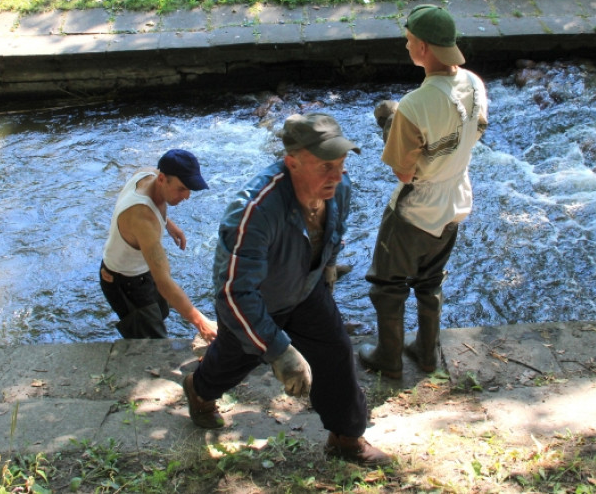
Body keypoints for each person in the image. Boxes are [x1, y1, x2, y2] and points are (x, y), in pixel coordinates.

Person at [182, 113, 391, 467]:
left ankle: (345, 437)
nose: (337, 175)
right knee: (234, 362)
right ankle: (199, 390)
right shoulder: (255, 209)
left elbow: (333, 231)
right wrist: (279, 351)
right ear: (291, 162)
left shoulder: (340, 187)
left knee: (336, 351)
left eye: (340, 163)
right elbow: (233, 292)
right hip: (255, 304)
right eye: (326, 165)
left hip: (305, 290)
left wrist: (326, 270)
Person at [358, 5, 488, 379]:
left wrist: (390, 126)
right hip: (456, 200)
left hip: (415, 210)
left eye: (410, 40)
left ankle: (389, 358)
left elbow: (403, 170)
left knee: (388, 285)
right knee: (430, 281)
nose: (406, 45)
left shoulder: (414, 106)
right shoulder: (474, 84)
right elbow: (478, 129)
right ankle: (427, 354)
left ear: (425, 48)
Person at [99, 149, 218, 343]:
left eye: (189, 189)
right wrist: (201, 323)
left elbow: (150, 205)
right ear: (162, 179)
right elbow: (163, 281)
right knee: (153, 342)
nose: (187, 196)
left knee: (161, 311)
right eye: (181, 189)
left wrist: (167, 224)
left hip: (141, 272)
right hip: (123, 282)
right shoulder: (143, 219)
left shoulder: (148, 174)